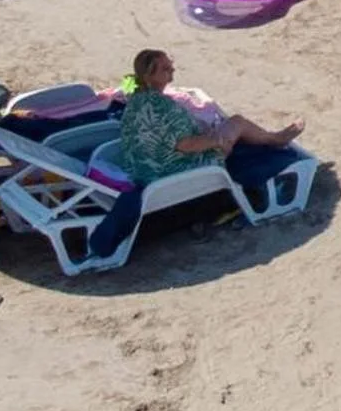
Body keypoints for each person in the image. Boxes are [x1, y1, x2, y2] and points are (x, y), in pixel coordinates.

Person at [97, 47, 306, 258]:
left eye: (171, 65)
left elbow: (130, 86)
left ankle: (266, 138)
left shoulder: (136, 96)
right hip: (177, 169)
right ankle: (276, 139)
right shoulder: (161, 107)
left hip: (144, 168)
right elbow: (186, 145)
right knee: (237, 123)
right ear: (149, 76)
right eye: (165, 68)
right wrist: (217, 141)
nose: (172, 70)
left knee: (224, 127)